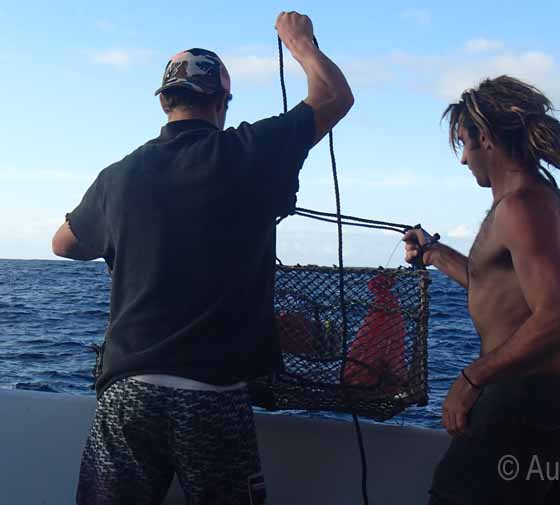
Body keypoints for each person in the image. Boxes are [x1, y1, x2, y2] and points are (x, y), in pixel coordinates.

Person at [51, 11, 353, 505]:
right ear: (221, 102)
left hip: (127, 390)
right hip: (211, 394)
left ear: (165, 100)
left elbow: (63, 244)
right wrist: (299, 42)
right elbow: (335, 98)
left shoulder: (118, 175)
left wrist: (116, 235)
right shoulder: (250, 151)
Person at [404, 76, 560, 505]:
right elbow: (498, 285)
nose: (463, 160)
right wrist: (434, 254)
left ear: (485, 138)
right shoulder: (538, 199)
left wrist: (472, 378)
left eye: (463, 143)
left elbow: (559, 318)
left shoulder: (520, 207)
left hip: (527, 400)